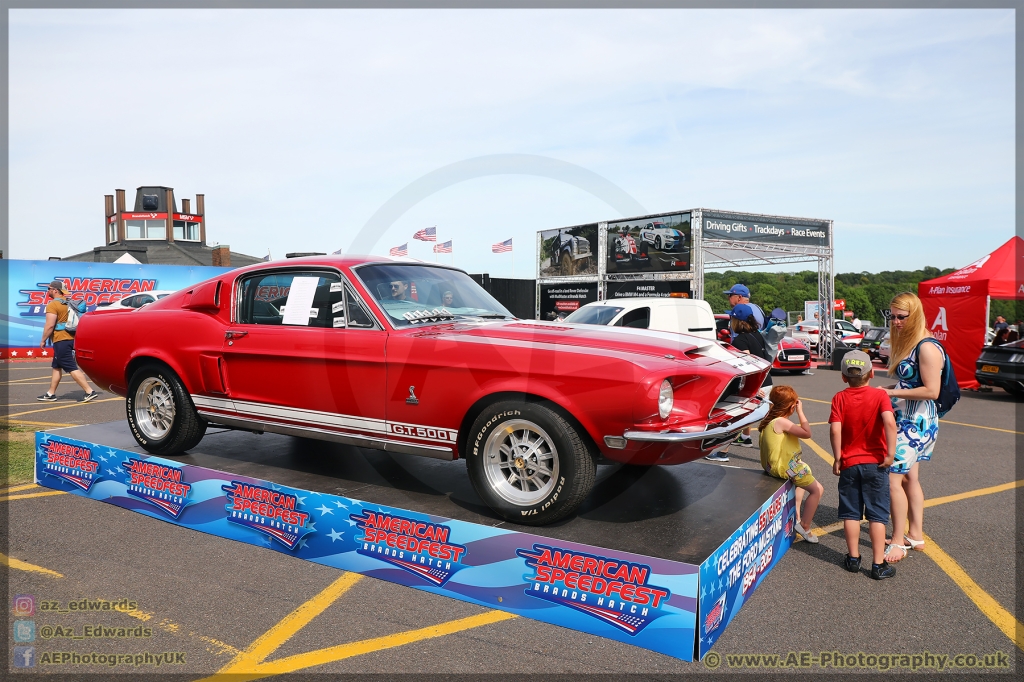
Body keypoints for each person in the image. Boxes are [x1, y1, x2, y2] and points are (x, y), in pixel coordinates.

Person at [882, 292, 943, 562]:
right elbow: (907, 384)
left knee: (893, 478)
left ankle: (897, 541)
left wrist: (892, 395)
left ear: (914, 315)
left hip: (915, 422)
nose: (895, 321)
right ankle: (915, 535)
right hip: (907, 418)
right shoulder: (913, 344)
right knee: (909, 478)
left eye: (901, 317)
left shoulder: (926, 347)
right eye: (892, 316)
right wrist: (884, 391)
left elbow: (932, 391)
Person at [829, 350, 897, 579]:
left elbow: (835, 428)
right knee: (877, 515)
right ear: (872, 374)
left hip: (849, 463)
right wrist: (890, 453)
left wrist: (838, 457)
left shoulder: (839, 397)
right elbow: (890, 422)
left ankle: (853, 558)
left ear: (843, 377)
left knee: (851, 513)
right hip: (876, 464)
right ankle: (878, 565)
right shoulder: (880, 397)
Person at [758, 385, 823, 543]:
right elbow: (807, 433)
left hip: (771, 466)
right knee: (818, 490)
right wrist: (801, 412)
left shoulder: (770, 419)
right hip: (783, 468)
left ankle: (798, 515)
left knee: (805, 468)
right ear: (791, 406)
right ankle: (805, 526)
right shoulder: (781, 422)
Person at [706, 304, 772, 459]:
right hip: (767, 381)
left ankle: (722, 452)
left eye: (732, 318)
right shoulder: (757, 335)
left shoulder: (740, 341)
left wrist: (753, 390)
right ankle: (770, 454)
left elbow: (748, 367)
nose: (730, 321)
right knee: (763, 421)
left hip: (757, 385)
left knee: (734, 418)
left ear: (737, 321)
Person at [38, 280, 98, 402]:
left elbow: (49, 325)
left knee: (71, 367)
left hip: (61, 340)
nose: (48, 291)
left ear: (55, 290)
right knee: (57, 366)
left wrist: (43, 340)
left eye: (49, 289)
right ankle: (51, 393)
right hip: (71, 339)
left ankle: (89, 391)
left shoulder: (53, 305)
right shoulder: (68, 303)